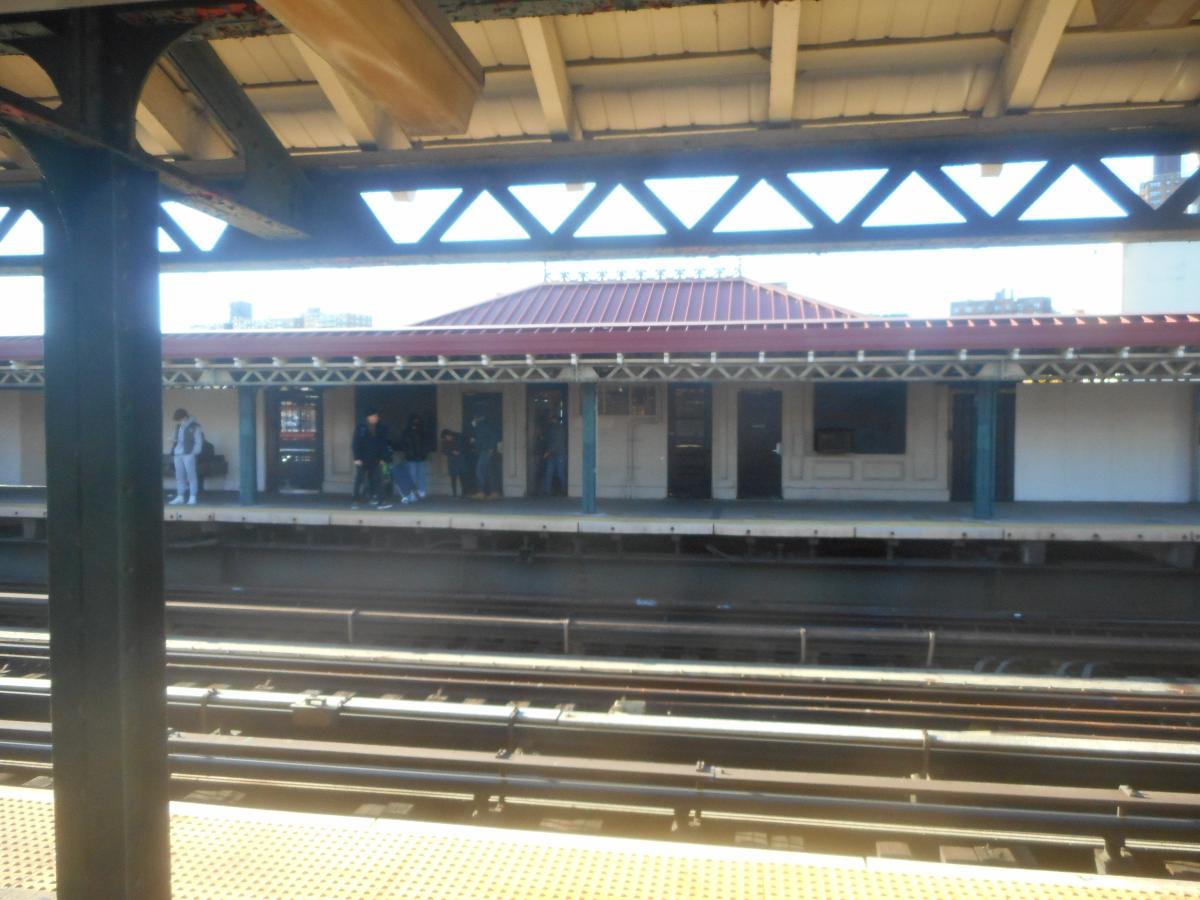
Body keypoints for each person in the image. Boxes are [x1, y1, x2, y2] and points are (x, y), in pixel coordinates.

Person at [351, 408, 392, 510]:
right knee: (359, 480)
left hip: (376, 459)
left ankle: (380, 502)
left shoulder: (381, 428)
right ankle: (355, 501)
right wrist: (357, 458)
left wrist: (383, 458)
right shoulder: (361, 428)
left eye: (377, 416)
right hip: (363, 459)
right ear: (368, 417)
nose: (376, 418)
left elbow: (383, 444)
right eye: (374, 416)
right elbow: (356, 443)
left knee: (378, 480)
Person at [168, 408, 204, 506]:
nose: (179, 421)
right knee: (179, 476)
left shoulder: (195, 426)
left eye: (179, 418)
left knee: (191, 476)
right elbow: (176, 438)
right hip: (178, 454)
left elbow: (198, 442)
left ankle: (193, 497)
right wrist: (172, 439)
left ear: (184, 416)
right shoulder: (178, 426)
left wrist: (193, 452)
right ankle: (180, 496)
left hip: (189, 454)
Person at [397, 413, 430, 501]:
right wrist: (408, 453)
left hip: (419, 456)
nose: (415, 424)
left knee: (420, 475)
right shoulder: (407, 432)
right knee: (413, 476)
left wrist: (424, 453)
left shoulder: (422, 431)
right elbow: (403, 444)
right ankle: (413, 492)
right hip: (412, 457)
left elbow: (426, 444)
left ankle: (421, 491)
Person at [468, 412, 500, 500]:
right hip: (485, 450)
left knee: (479, 471)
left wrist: (490, 448)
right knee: (488, 472)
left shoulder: (482, 426)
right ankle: (494, 492)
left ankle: (481, 492)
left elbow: (491, 436)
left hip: (485, 450)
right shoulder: (483, 425)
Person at [541, 416, 567, 496]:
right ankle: (550, 490)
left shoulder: (556, 429)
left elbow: (556, 443)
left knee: (557, 472)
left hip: (556, 454)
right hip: (557, 454)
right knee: (555, 472)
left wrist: (548, 452)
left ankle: (563, 490)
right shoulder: (556, 428)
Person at [440, 428, 468, 498]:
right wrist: (451, 452)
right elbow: (443, 450)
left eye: (448, 437)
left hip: (460, 459)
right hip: (452, 461)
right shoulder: (445, 441)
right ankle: (454, 494)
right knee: (453, 478)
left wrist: (460, 451)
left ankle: (464, 493)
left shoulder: (459, 437)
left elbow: (465, 446)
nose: (447, 438)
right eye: (446, 438)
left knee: (463, 478)